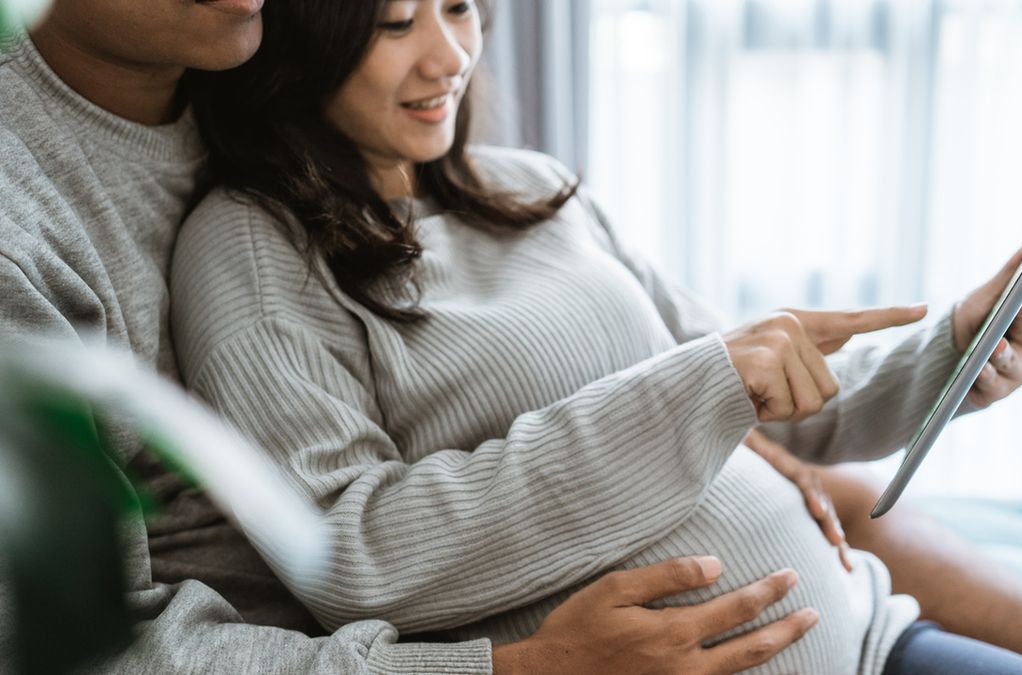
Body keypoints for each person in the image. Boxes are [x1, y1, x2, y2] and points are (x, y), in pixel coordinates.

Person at [170, 1, 1022, 673]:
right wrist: (698, 390)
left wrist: (950, 357)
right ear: (303, 36)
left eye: (461, 6)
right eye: (394, 24)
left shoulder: (527, 187)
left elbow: (768, 398)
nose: (450, 55)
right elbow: (349, 553)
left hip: (871, 635)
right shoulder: (251, 250)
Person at [0, 1, 818, 672]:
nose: (443, 56)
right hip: (408, 638)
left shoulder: (246, 70)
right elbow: (74, 651)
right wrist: (518, 669)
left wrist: (706, 426)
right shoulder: (32, 221)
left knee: (860, 502)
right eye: (396, 24)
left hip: (771, 591)